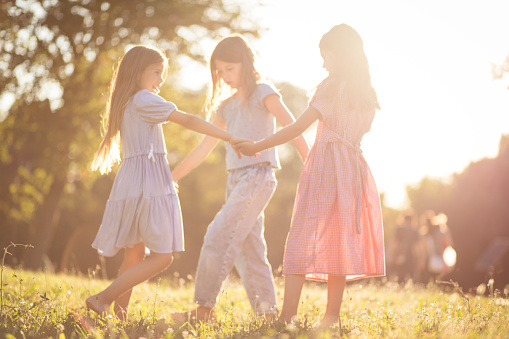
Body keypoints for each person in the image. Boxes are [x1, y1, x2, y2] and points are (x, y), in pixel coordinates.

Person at [234, 24, 385, 327]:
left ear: (339, 55)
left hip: (327, 166)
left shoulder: (330, 87)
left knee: (302, 236)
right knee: (340, 240)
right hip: (353, 168)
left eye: (326, 55)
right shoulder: (366, 93)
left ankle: (288, 316)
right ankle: (331, 316)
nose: (323, 63)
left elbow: (296, 128)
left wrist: (257, 146)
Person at [86, 45, 247, 321]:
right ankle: (102, 299)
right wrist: (228, 136)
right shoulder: (144, 99)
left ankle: (120, 317)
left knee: (134, 255)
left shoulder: (128, 102)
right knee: (163, 257)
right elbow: (187, 119)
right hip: (148, 185)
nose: (161, 80)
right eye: (157, 73)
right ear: (138, 73)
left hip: (130, 183)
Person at [171, 34, 309, 322]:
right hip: (234, 180)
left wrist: (311, 164)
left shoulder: (263, 91)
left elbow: (293, 127)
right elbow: (204, 147)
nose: (224, 76)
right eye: (219, 71)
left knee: (217, 235)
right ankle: (268, 314)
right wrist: (173, 176)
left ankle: (203, 309)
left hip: (258, 177)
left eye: (229, 69)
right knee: (250, 248)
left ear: (245, 64)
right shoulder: (224, 106)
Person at [387, 211, 419, 282]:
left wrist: (391, 255)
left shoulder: (399, 229)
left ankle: (400, 288)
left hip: (400, 254)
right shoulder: (414, 231)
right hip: (410, 255)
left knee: (400, 274)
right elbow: (416, 247)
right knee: (410, 274)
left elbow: (394, 243)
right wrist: (419, 258)